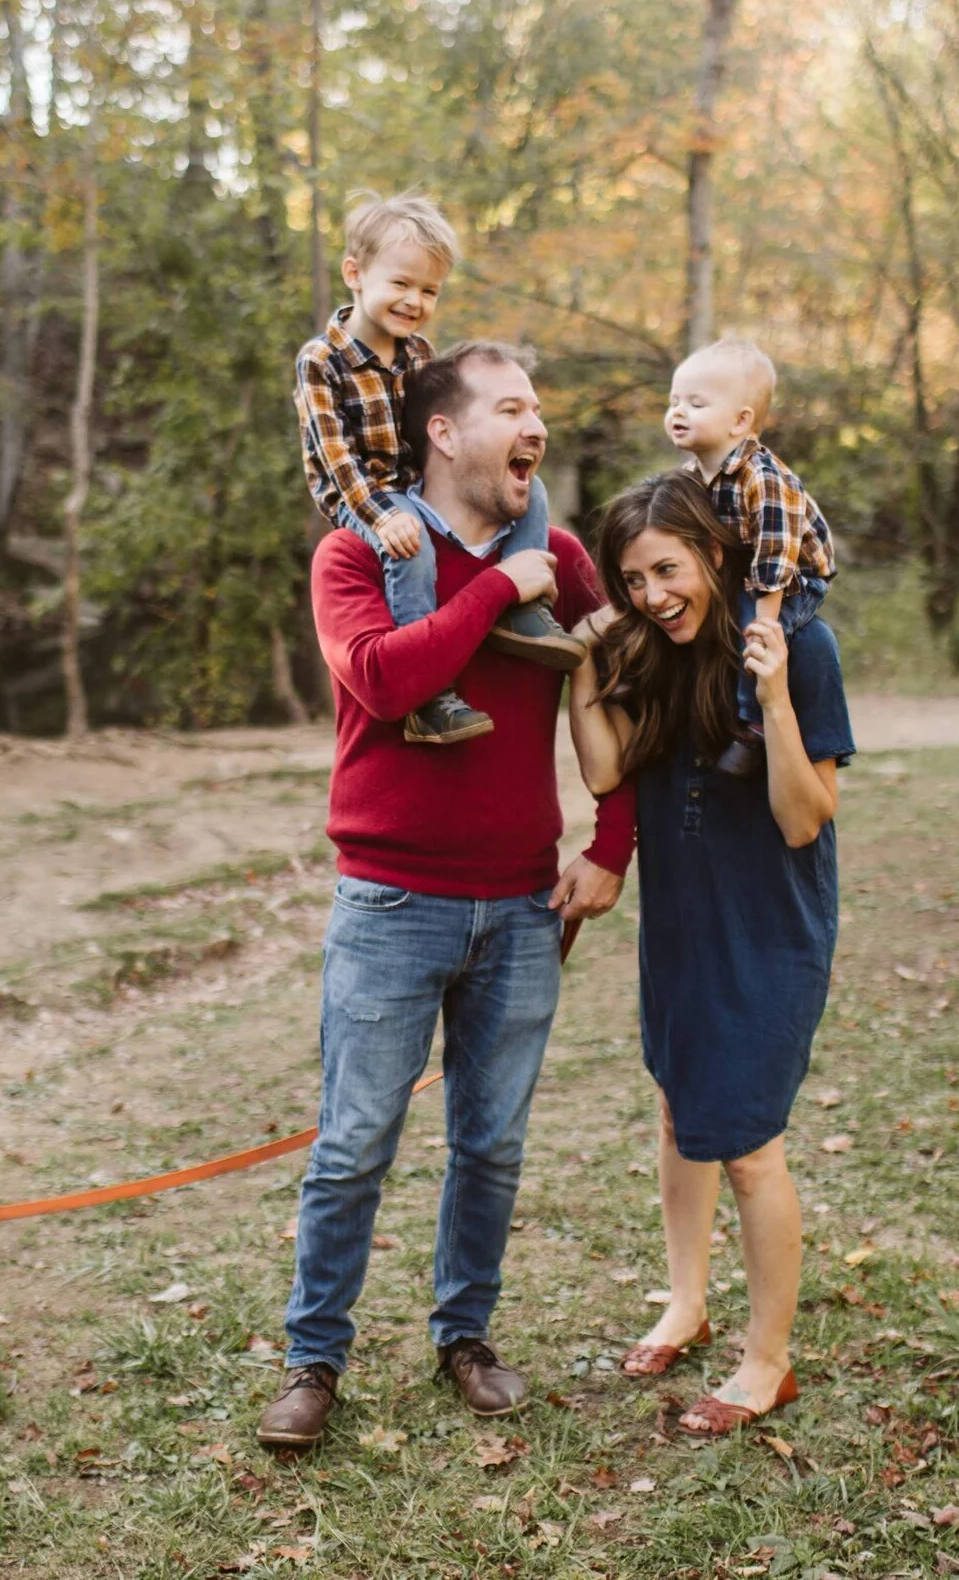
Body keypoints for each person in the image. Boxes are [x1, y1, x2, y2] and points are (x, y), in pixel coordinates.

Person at [259, 342, 633, 1454]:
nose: (538, 428)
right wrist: (498, 595)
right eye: (513, 407)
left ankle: (465, 1335)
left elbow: (628, 685)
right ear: (444, 429)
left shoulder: (559, 554)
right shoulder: (355, 553)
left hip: (522, 904)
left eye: (540, 410)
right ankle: (314, 1356)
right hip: (388, 901)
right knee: (355, 1141)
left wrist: (610, 840)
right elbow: (381, 679)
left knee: (492, 1144)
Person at [564, 472, 853, 1438]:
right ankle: (685, 1303)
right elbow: (605, 768)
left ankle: (768, 1362)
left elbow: (804, 820)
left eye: (667, 570)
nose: (651, 594)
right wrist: (580, 663)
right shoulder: (649, 649)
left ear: (716, 554)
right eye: (633, 578)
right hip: (680, 919)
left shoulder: (801, 648)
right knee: (677, 1104)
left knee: (750, 1150)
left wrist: (772, 699)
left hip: (767, 927)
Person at [295, 193, 582, 747]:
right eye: (401, 284)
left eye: (428, 290)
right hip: (361, 496)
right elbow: (336, 462)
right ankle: (430, 696)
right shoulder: (321, 360)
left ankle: (523, 612)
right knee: (412, 547)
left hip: (411, 487)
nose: (414, 301)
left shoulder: (418, 352)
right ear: (354, 274)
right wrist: (381, 519)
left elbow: (441, 425)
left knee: (535, 490)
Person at [660, 338, 836, 777]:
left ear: (741, 421)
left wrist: (766, 621)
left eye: (696, 403)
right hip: (743, 571)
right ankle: (643, 678)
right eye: (674, 401)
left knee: (751, 636)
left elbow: (775, 554)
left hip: (795, 578)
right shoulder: (691, 476)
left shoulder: (763, 476)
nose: (679, 412)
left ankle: (753, 726)